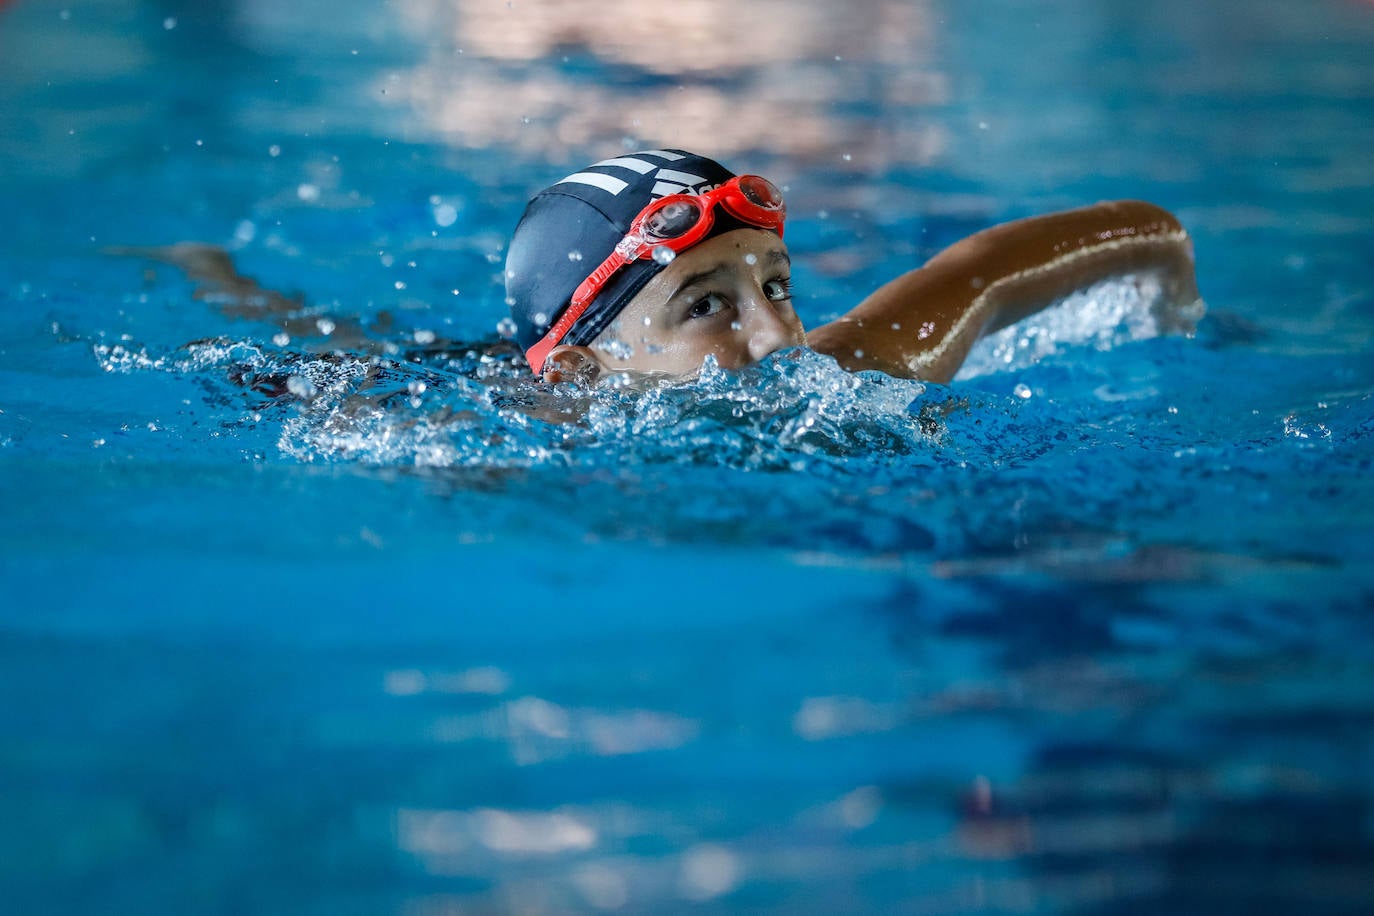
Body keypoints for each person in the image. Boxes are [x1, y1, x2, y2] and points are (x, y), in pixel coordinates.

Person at [505, 149, 1201, 385]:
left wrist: (1176, 319)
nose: (780, 336)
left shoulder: (852, 372)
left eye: (776, 285)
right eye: (706, 306)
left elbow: (1147, 232)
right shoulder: (500, 468)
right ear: (580, 371)